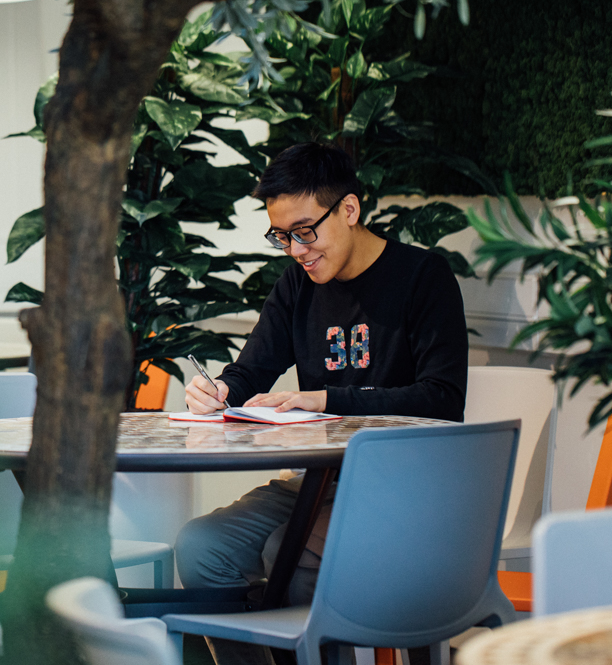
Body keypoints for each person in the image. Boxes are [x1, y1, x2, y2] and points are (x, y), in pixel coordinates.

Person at [175, 142, 468, 665]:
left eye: (305, 231)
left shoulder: (423, 278)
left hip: (398, 491)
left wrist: (325, 400)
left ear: (349, 210)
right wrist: (219, 390)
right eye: (281, 236)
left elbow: (442, 399)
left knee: (286, 553)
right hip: (313, 482)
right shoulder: (298, 284)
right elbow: (250, 370)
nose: (295, 249)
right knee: (203, 547)